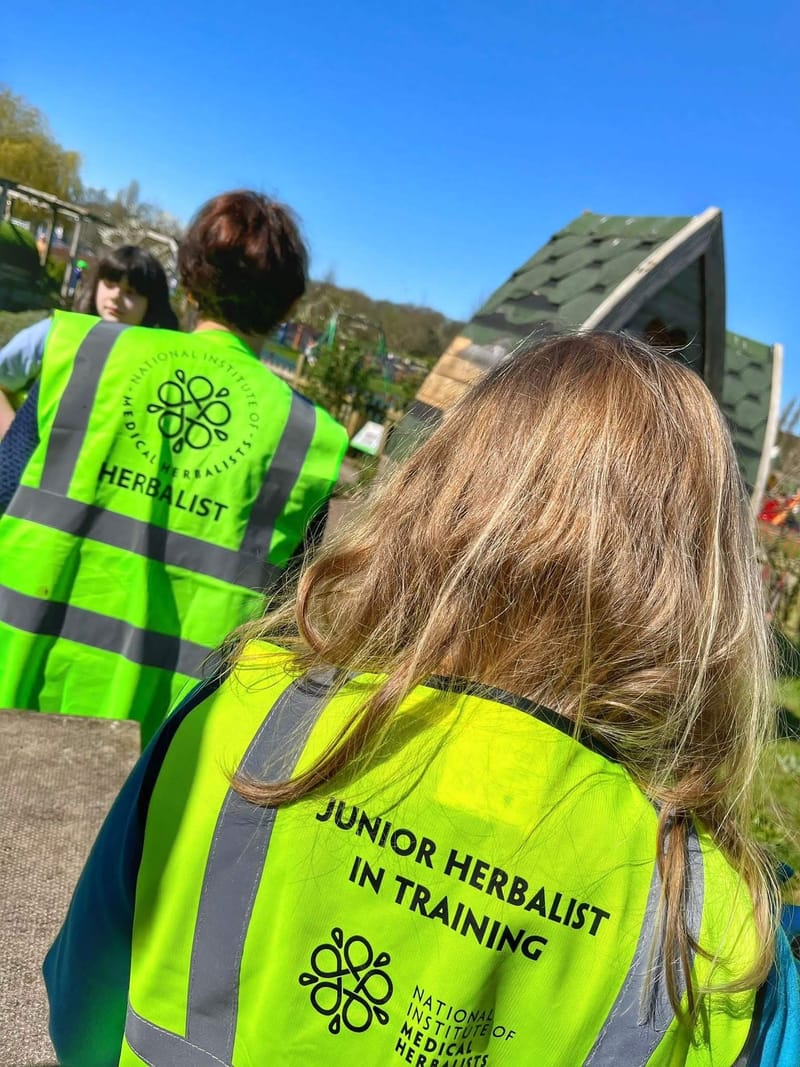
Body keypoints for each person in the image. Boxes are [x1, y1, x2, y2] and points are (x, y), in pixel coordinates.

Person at [44, 333, 799, 1064]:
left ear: (439, 496)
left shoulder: (239, 719)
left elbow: (81, 1015)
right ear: (702, 588)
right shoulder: (723, 928)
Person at [0, 191, 348, 743]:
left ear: (187, 281)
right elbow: (284, 621)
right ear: (286, 309)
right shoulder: (307, 438)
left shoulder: (88, 354)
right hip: (163, 748)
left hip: (14, 686)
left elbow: (5, 492)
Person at [0, 245, 177, 436]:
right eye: (110, 284)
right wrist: (14, 443)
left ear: (152, 304)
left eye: (131, 292)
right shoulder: (54, 333)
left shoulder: (159, 362)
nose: (116, 296)